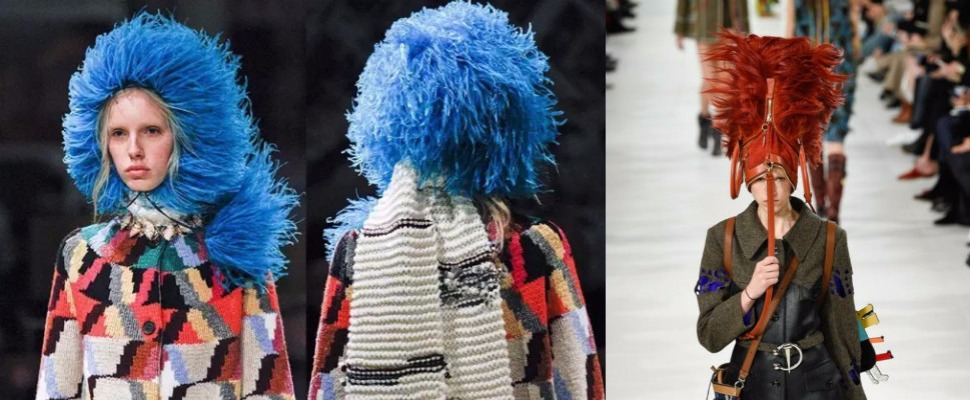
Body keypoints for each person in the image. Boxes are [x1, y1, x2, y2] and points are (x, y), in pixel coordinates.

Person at [308, 2, 604, 399]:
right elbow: (579, 375)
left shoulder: (360, 250)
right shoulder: (534, 247)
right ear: (506, 129)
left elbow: (329, 382)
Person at [36, 13, 298, 399]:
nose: (134, 149)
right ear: (100, 142)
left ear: (186, 135)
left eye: (152, 131)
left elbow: (270, 389)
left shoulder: (235, 256)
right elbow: (57, 388)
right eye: (118, 133)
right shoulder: (82, 256)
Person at [696, 31, 867, 399]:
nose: (769, 188)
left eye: (779, 177)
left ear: (794, 179)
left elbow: (841, 327)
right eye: (759, 179)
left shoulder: (829, 238)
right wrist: (750, 292)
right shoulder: (722, 239)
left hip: (819, 386)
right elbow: (709, 335)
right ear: (746, 181)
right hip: (753, 384)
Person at [786, 0, 862, 223]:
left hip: (807, 68)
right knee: (836, 140)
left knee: (814, 136)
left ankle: (819, 205)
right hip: (840, 68)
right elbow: (854, 31)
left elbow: (790, 32)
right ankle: (834, 211)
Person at [675, 0, 750, 155]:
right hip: (704, 27)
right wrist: (680, 28)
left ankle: (718, 129)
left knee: (725, 82)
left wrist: (744, 28)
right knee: (710, 80)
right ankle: (704, 119)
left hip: (728, 25)